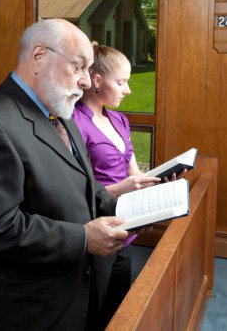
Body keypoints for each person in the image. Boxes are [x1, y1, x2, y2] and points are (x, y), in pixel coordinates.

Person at [0, 19, 134, 331]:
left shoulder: (60, 112)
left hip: (73, 291)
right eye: (78, 67)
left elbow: (86, 186)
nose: (87, 82)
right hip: (31, 309)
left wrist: (136, 209)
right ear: (38, 57)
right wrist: (84, 238)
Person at [73, 43, 161, 329]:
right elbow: (76, 185)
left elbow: (133, 171)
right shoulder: (74, 123)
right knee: (94, 311)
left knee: (120, 304)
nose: (128, 90)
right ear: (96, 81)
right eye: (121, 82)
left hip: (127, 226)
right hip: (98, 225)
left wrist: (155, 188)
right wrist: (124, 187)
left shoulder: (120, 119)